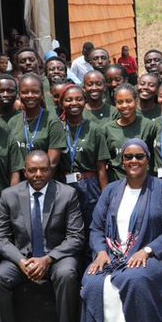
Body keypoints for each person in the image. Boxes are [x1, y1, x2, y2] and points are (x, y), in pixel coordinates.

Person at [78, 139, 162, 322]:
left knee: (134, 279)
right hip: (113, 256)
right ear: (122, 161)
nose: (133, 161)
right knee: (93, 280)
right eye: (128, 157)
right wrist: (100, 252)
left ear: (148, 160)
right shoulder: (112, 191)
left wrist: (147, 250)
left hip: (153, 257)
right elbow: (96, 227)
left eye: (139, 156)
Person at [0, 150, 87, 322]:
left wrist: (48, 259)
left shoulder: (67, 194)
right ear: (25, 171)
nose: (38, 174)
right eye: (32, 170)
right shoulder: (9, 195)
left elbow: (76, 237)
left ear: (51, 170)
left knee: (67, 273)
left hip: (56, 257)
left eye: (43, 169)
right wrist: (22, 261)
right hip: (21, 258)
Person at [58, 84, 109, 224]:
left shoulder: (95, 129)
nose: (74, 103)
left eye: (78, 99)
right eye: (69, 100)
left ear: (84, 101)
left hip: (89, 186)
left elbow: (101, 166)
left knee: (91, 226)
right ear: (62, 103)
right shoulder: (57, 128)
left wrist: (104, 197)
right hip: (64, 185)